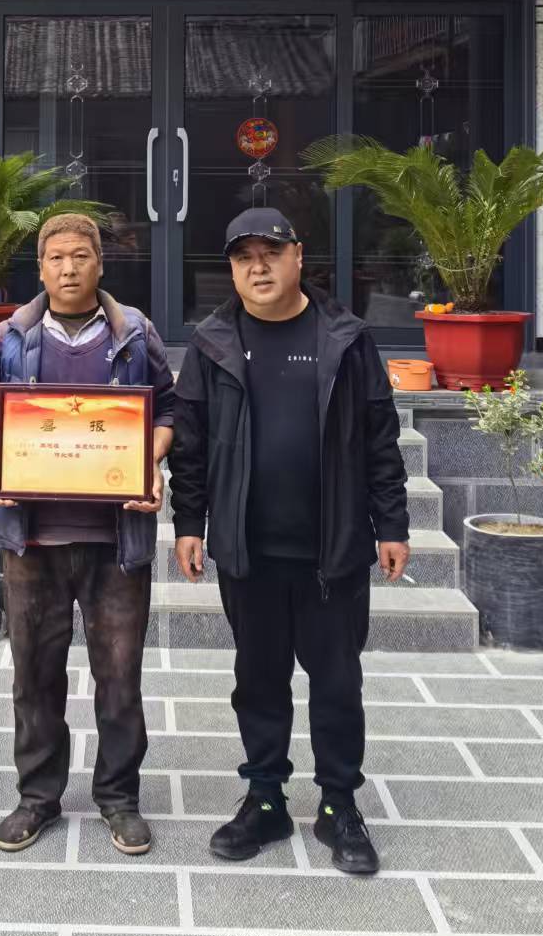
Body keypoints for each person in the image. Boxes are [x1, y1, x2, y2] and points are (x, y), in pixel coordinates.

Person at [169, 208, 410, 877]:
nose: (258, 267)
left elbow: (380, 437)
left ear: (298, 256)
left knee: (336, 683)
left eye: (270, 252)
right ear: (230, 268)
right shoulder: (212, 343)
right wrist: (188, 524)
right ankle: (266, 798)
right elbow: (188, 446)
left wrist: (392, 525)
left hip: (333, 548)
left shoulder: (346, 339)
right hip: (248, 550)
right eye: (243, 256)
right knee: (257, 680)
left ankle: (339, 804)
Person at [0, 214, 175, 857]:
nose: (69, 268)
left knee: (120, 677)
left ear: (100, 263)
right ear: (41, 268)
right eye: (56, 258)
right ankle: (37, 796)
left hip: (116, 542)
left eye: (81, 256)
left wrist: (151, 461)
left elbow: (167, 407)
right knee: (34, 676)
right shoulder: (12, 335)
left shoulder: (134, 333)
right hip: (34, 541)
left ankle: (119, 798)